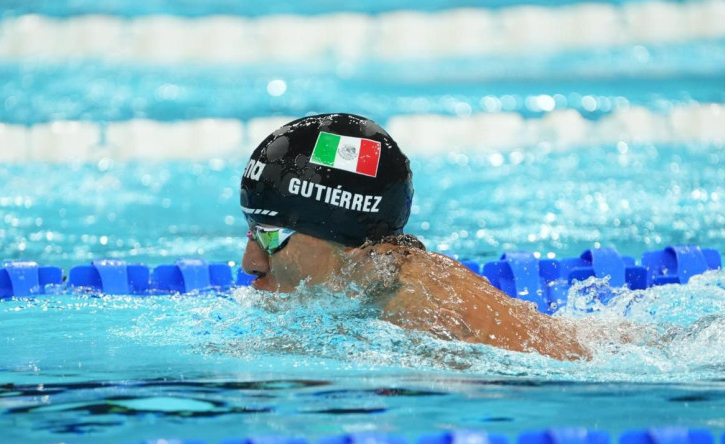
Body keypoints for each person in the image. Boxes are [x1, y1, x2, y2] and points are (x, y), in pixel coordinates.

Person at [240, 113, 588, 361]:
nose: (250, 264)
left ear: (353, 245)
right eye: (252, 231)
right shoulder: (377, 289)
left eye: (272, 236)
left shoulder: (427, 319)